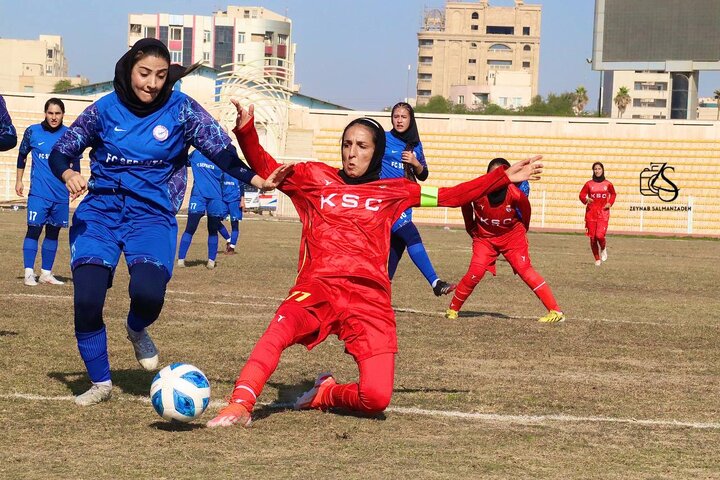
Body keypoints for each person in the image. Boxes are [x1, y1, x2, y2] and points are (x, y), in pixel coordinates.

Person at [206, 102, 542, 428]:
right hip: (318, 289)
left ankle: (325, 393)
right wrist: (247, 130)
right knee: (277, 331)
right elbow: (268, 168)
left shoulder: (394, 190)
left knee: (376, 399)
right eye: (347, 144)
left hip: (369, 301)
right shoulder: (312, 177)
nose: (352, 153)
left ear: (376, 152)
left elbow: (449, 196)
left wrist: (501, 178)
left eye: (362, 146)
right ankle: (241, 404)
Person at [48, 38, 287, 407]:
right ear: (128, 70)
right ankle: (100, 382)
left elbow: (220, 150)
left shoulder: (181, 110)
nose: (152, 83)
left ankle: (136, 327)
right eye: (144, 73)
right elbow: (63, 150)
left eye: (161, 75)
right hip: (101, 212)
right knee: (88, 297)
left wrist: (256, 179)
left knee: (147, 293)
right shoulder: (104, 110)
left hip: (152, 217)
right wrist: (68, 174)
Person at [445, 158, 565, 323]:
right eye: (492, 174)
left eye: (500, 174)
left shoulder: (516, 194)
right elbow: (464, 201)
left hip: (512, 238)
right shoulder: (478, 189)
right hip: (485, 238)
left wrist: (522, 229)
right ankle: (452, 309)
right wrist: (470, 228)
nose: (496, 178)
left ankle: (556, 311)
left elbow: (526, 212)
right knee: (475, 272)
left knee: (525, 270)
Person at [381, 102, 454, 296]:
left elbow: (423, 175)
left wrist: (415, 162)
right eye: (396, 116)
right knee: (411, 235)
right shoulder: (383, 139)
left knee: (399, 243)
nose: (399, 120)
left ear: (410, 120)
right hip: (388, 201)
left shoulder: (415, 145)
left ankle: (382, 289)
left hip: (405, 202)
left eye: (403, 117)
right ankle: (435, 282)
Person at [16, 98, 79, 286]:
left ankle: (45, 273)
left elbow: (74, 162)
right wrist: (19, 180)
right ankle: (29, 273)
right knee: (33, 230)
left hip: (60, 194)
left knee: (53, 233)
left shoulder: (69, 135)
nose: (54, 117)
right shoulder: (32, 132)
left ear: (63, 115)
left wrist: (75, 184)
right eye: (50, 113)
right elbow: (22, 156)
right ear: (45, 113)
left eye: (57, 113)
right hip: (38, 193)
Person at [177, 149, 228, 269]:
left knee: (213, 228)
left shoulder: (223, 156)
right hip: (198, 196)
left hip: (215, 197)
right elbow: (183, 161)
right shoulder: (196, 153)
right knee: (190, 227)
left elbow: (226, 179)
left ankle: (211, 261)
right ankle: (181, 260)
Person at [579, 162, 616, 266]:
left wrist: (610, 203)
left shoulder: (608, 184)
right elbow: (581, 195)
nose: (597, 171)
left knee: (599, 235)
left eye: (599, 169)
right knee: (593, 238)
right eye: (595, 169)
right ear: (593, 171)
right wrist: (586, 199)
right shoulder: (589, 184)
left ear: (602, 170)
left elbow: (613, 194)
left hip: (603, 213)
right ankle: (597, 259)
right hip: (591, 214)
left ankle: (603, 248)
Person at [218, 174, 244, 255]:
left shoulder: (237, 170)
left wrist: (242, 200)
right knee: (215, 220)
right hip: (223, 199)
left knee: (234, 224)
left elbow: (242, 186)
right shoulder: (221, 169)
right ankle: (229, 240)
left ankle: (232, 247)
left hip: (235, 200)